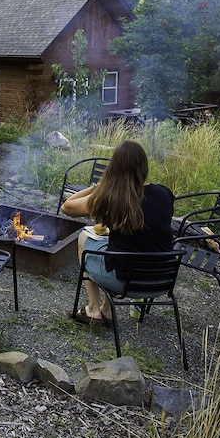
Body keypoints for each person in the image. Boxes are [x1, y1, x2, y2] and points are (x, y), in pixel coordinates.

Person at [60, 140, 176, 326]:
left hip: (125, 281)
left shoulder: (112, 197)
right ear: (144, 166)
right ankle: (107, 310)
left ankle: (93, 309)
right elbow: (149, 231)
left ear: (115, 168)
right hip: (162, 280)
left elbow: (67, 206)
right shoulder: (164, 194)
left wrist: (97, 187)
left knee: (84, 237)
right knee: (121, 248)